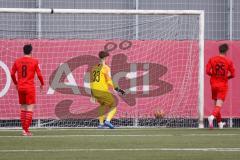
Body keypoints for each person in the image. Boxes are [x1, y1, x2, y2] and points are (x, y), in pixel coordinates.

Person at [11, 44, 44, 136]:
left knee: (23, 108)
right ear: (31, 51)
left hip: (20, 87)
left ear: (23, 51)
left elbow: (12, 74)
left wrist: (16, 83)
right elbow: (39, 74)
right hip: (29, 87)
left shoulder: (17, 61)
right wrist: (42, 83)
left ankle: (24, 130)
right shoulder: (34, 61)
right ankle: (25, 130)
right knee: (30, 108)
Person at [90, 51, 125, 129]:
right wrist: (118, 89)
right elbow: (109, 81)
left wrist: (92, 94)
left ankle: (101, 124)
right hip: (102, 91)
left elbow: (91, 81)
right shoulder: (106, 68)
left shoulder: (94, 67)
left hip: (95, 91)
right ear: (105, 58)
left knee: (103, 105)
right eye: (107, 57)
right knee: (114, 105)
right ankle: (107, 121)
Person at [206, 43, 235, 129]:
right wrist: (226, 77)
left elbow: (207, 71)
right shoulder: (228, 61)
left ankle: (219, 123)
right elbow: (233, 74)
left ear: (219, 50)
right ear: (226, 51)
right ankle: (211, 117)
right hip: (222, 85)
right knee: (219, 105)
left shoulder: (212, 59)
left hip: (213, 84)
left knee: (216, 105)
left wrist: (214, 75)